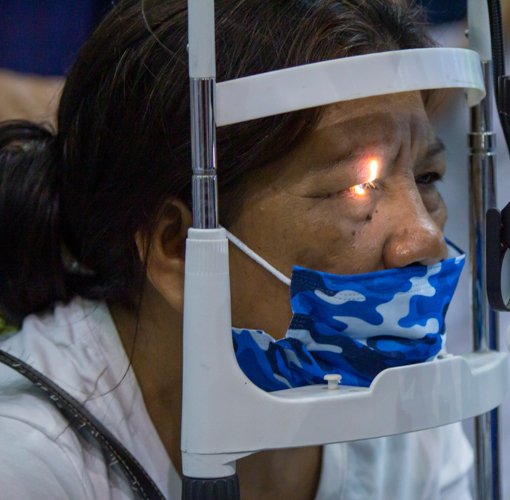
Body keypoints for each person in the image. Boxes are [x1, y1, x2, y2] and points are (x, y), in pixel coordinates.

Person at [0, 1, 474, 499]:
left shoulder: (393, 396)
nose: (426, 238)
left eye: (426, 177)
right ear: (178, 248)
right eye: (357, 188)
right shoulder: (31, 464)